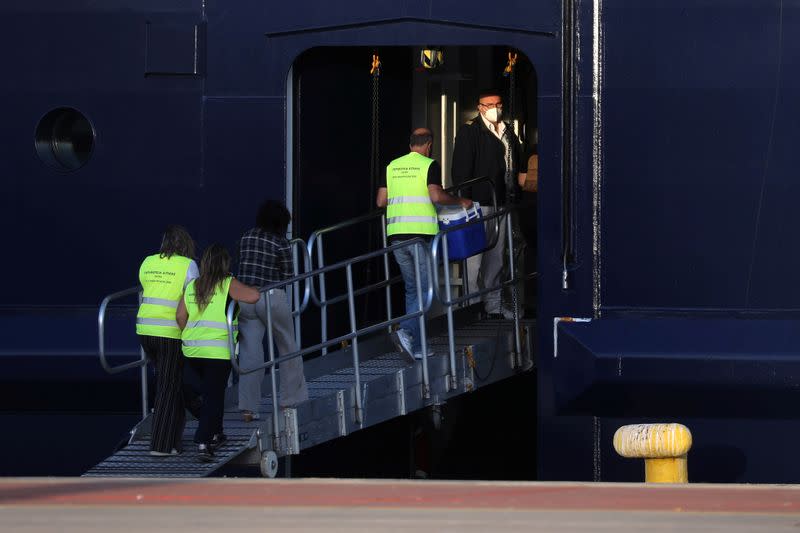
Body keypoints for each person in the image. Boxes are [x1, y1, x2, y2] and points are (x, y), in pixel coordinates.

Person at [376, 127, 472, 360]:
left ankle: (417, 346)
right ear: (429, 145)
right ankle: (406, 331)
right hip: (420, 235)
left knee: (413, 289)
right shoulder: (429, 165)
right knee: (427, 291)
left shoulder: (392, 166)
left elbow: (381, 201)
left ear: (410, 145)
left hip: (396, 235)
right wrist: (461, 202)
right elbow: (436, 196)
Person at [176, 244, 260, 462]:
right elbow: (253, 296)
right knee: (213, 397)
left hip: (192, 351)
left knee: (203, 393)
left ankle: (217, 432)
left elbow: (180, 317)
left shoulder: (193, 285)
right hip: (218, 353)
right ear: (224, 264)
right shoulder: (227, 283)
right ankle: (203, 443)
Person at [451, 89, 528, 319]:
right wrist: (464, 199)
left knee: (496, 258)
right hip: (478, 203)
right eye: (490, 104)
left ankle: (492, 304)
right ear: (480, 107)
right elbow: (461, 169)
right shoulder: (470, 132)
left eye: (498, 103)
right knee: (474, 261)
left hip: (502, 202)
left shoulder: (508, 132)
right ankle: (472, 307)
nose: (495, 107)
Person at [237, 200, 309, 421]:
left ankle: (248, 408)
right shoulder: (280, 243)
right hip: (270, 296)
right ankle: (290, 400)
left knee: (250, 353)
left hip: (245, 298)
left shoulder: (246, 237)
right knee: (287, 346)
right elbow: (289, 275)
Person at [136, 225, 199, 457]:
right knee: (168, 386)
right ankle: (160, 445)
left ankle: (174, 442)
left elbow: (146, 288)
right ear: (185, 244)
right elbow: (193, 297)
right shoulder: (188, 265)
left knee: (171, 383)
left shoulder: (148, 262)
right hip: (170, 333)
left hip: (145, 331)